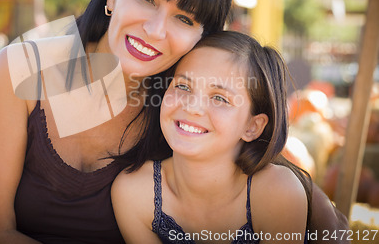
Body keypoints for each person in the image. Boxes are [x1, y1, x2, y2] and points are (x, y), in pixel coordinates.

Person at [0, 0, 349, 244]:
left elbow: (275, 178)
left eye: (184, 19)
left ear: (203, 37)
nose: (155, 30)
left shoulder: (181, 104)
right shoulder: (22, 69)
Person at [112, 31, 310, 243]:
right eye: (182, 86)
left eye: (219, 98)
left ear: (252, 126)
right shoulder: (134, 193)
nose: (192, 107)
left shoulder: (278, 193)